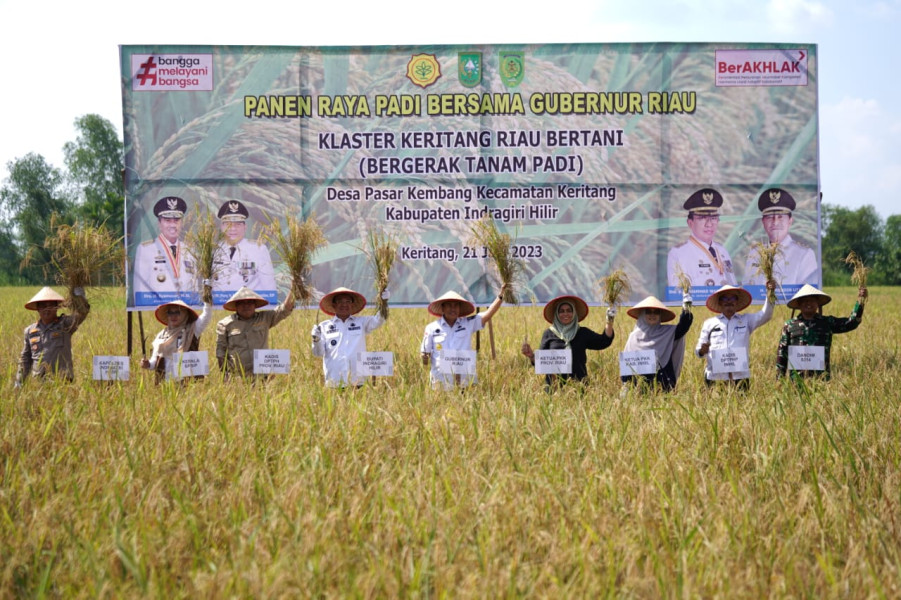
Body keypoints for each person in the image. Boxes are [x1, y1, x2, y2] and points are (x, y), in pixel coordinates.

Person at [420, 285, 507, 390]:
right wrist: (424, 358)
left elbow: (487, 315)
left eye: (456, 306)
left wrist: (500, 297)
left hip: (465, 381)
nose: (453, 309)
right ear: (442, 308)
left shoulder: (468, 323)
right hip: (440, 382)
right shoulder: (431, 328)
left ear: (460, 308)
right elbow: (425, 357)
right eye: (449, 306)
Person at [521, 295, 615, 389]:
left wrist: (609, 321)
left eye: (569, 310)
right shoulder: (549, 333)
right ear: (557, 315)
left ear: (574, 313)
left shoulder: (582, 333)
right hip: (554, 388)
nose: (565, 314)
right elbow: (542, 362)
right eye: (561, 311)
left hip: (579, 387)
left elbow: (604, 341)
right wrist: (531, 356)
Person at [776, 284, 867, 380]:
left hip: (821, 379)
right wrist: (779, 379)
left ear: (817, 304)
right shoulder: (790, 325)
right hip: (797, 380)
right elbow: (782, 352)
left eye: (812, 300)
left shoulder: (827, 322)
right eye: (805, 301)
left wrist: (860, 301)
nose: (808, 303)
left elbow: (851, 322)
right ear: (799, 304)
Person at [695, 281, 775, 389]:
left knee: (742, 405)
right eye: (725, 299)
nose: (729, 302)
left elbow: (766, 315)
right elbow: (699, 349)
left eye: (732, 298)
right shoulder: (710, 323)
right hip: (715, 377)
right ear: (719, 302)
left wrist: (771, 292)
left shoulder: (746, 320)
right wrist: (702, 350)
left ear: (737, 302)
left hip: (740, 377)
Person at [311, 287, 388, 388]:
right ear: (334, 305)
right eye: (340, 301)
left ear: (352, 304)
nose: (344, 304)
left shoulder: (361, 322)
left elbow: (380, 319)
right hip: (334, 382)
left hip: (357, 382)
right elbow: (318, 353)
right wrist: (316, 339)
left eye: (348, 301)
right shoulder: (324, 326)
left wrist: (384, 303)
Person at [743, 188, 818, 288]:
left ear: (790, 221)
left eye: (780, 217)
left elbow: (809, 296)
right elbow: (748, 290)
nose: (775, 222)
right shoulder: (755, 253)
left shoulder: (804, 254)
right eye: (770, 217)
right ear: (763, 221)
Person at [16, 287, 90, 386]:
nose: (47, 310)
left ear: (57, 307)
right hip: (39, 383)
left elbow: (82, 313)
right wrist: (19, 381)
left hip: (63, 381)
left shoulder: (65, 324)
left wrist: (80, 296)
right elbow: (25, 358)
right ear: (38, 309)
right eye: (43, 306)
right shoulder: (30, 331)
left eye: (50, 306)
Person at [215, 286, 295, 377]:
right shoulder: (225, 324)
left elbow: (285, 308)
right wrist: (225, 376)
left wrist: (294, 286)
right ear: (236, 306)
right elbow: (220, 352)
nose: (246, 305)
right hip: (238, 377)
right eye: (242, 303)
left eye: (250, 302)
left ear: (255, 305)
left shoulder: (265, 318)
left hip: (262, 375)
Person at [667, 188, 737, 289]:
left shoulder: (722, 251)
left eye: (713, 218)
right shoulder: (678, 253)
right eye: (702, 218)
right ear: (690, 223)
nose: (709, 224)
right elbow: (676, 295)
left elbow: (732, 285)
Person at [621, 293, 693, 391]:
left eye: (656, 312)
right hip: (638, 389)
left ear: (660, 315)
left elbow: (683, 327)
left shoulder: (667, 332)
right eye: (648, 312)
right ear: (642, 314)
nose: (652, 315)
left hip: (662, 386)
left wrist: (686, 309)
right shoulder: (633, 337)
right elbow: (627, 368)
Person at [133, 196, 196, 306]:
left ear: (181, 223)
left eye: (176, 220)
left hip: (186, 309)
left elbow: (196, 288)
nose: (173, 225)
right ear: (159, 224)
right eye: (167, 220)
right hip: (156, 309)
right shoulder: (145, 249)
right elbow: (140, 289)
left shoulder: (190, 250)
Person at [212, 199, 277, 304]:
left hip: (249, 310)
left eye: (238, 224)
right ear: (222, 227)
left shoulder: (258, 249)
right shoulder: (213, 250)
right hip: (219, 308)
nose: (233, 229)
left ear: (245, 227)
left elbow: (269, 287)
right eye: (228, 224)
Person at [141, 299, 213, 383]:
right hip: (165, 383)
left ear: (185, 314)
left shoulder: (192, 330)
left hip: (188, 383)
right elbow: (155, 360)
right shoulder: (162, 335)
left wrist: (207, 298)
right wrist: (148, 364)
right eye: (170, 313)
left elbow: (206, 316)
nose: (173, 316)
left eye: (177, 312)